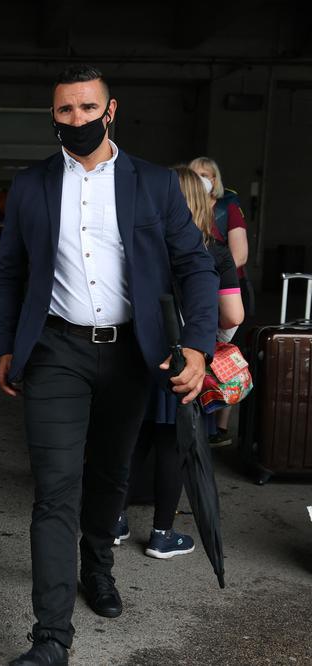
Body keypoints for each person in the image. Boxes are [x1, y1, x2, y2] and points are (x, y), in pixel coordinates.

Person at [0, 65, 218, 666]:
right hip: (55, 352)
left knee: (111, 476)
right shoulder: (31, 185)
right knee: (55, 489)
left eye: (87, 109)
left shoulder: (154, 184)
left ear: (110, 110)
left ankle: (98, 565)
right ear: (54, 116)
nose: (77, 121)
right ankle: (51, 639)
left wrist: (198, 346)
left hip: (129, 353)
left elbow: (196, 266)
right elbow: (9, 269)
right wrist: (6, 344)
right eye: (64, 111)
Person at [115, 166, 244, 560]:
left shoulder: (143, 246)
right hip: (186, 360)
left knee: (131, 440)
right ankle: (161, 534)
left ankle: (114, 522)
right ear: (205, 202)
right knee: (174, 445)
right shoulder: (213, 252)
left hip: (140, 354)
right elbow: (233, 315)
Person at [189, 156, 250, 445]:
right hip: (209, 291)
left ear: (216, 179)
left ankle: (218, 424)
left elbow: (239, 255)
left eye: (207, 174)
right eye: (196, 174)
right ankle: (203, 424)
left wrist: (210, 277)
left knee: (220, 357)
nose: (202, 179)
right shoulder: (181, 212)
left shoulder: (228, 208)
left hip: (226, 291)